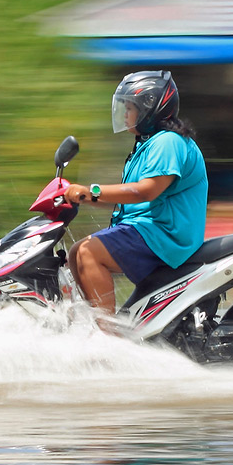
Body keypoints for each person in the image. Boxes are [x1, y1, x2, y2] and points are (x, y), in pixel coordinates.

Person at [64, 70, 208, 315]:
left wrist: (91, 191)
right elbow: (127, 199)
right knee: (76, 251)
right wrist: (82, 198)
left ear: (149, 108)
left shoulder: (168, 142)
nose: (124, 114)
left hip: (165, 235)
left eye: (130, 108)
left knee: (89, 252)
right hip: (147, 229)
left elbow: (145, 192)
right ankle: (95, 323)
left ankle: (108, 335)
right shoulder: (147, 144)